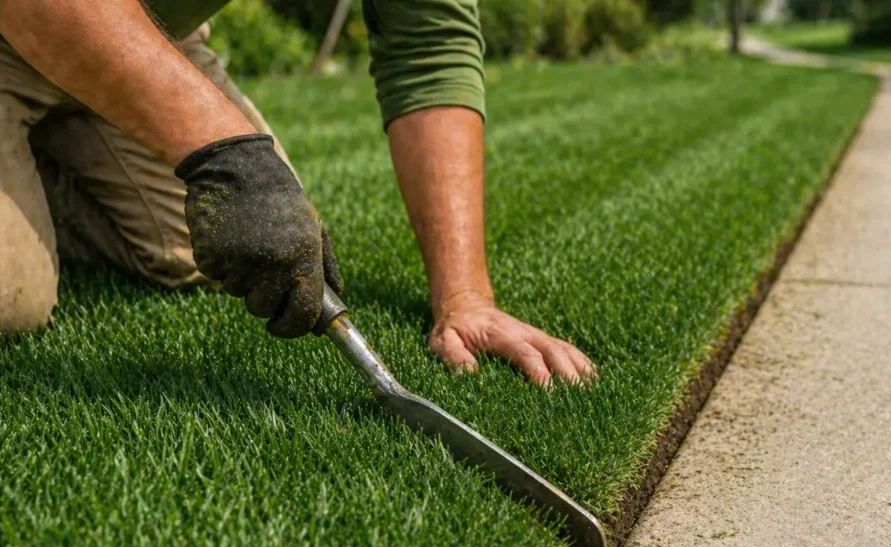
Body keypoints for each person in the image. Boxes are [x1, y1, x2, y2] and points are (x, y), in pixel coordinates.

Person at [0, 0, 594, 387]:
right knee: (12, 297)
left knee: (227, 240)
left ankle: (38, 164)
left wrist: (465, 298)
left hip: (145, 30)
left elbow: (428, 48)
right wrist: (222, 147)